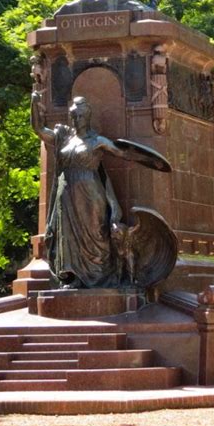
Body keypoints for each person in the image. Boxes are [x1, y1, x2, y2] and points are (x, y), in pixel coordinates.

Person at [31, 92, 128, 289]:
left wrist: (151, 158)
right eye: (73, 115)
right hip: (66, 195)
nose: (76, 119)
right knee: (67, 236)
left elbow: (123, 153)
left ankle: (101, 274)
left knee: (95, 233)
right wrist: (34, 104)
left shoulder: (98, 141)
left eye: (80, 115)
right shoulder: (63, 138)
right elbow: (39, 129)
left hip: (91, 193)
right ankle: (72, 277)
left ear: (88, 116)